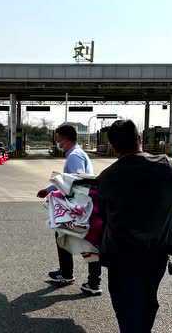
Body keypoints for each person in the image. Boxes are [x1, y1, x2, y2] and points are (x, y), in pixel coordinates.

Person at [97, 120, 172, 332]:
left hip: (120, 254)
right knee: (147, 301)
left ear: (113, 145)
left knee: (124, 306)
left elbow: (103, 216)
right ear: (139, 139)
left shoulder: (106, 177)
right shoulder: (164, 165)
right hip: (155, 253)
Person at [37, 124, 102, 296]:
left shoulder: (74, 156)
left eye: (58, 137)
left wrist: (53, 191)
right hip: (82, 206)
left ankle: (76, 277)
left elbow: (77, 182)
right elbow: (69, 181)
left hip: (77, 208)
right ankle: (83, 278)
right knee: (75, 238)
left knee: (81, 240)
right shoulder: (76, 153)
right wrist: (49, 190)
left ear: (65, 138)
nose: (56, 140)